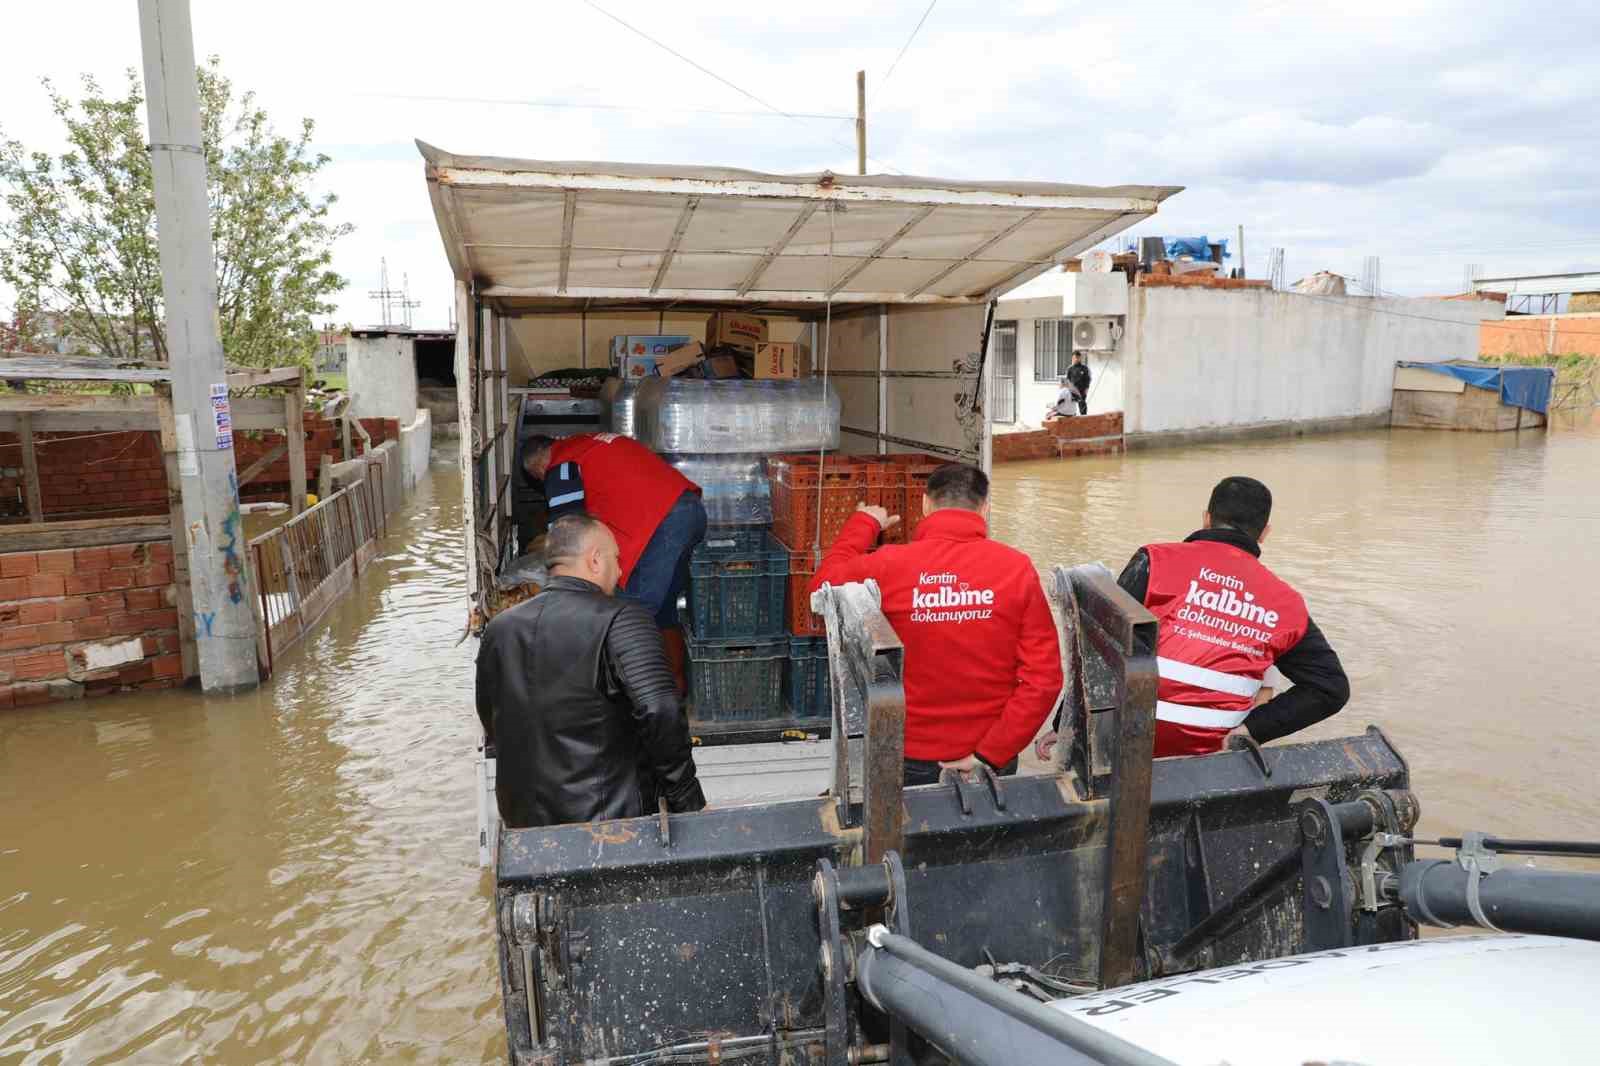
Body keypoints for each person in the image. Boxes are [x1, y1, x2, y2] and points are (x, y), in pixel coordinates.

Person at [1040, 476, 1348, 762]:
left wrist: (1065, 724)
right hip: (1213, 757)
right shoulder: (1286, 603)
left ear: (1207, 518)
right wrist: (1253, 729)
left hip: (1128, 746)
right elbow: (1330, 688)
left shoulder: (1155, 561)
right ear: (1265, 532)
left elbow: (1102, 649)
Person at [807, 464, 1063, 786]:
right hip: (989, 759)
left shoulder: (889, 564)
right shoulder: (1016, 568)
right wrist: (991, 753)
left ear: (926, 504)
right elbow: (1044, 679)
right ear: (985, 508)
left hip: (906, 755)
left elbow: (821, 591)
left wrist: (865, 523)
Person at [474, 513, 706, 829]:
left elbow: (491, 715)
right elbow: (659, 709)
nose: (620, 571)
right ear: (595, 561)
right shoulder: (622, 619)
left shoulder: (499, 629)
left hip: (523, 823)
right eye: (616, 559)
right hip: (607, 828)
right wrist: (687, 802)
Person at [521, 432, 706, 691]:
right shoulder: (588, 445)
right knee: (663, 611)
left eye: (540, 479)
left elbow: (567, 535)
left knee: (630, 611)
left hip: (664, 523)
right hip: (689, 510)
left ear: (539, 466)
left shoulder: (560, 466)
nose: (545, 483)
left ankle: (631, 695)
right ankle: (675, 688)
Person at [1065, 351, 1091, 415]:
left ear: (1080, 358)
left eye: (1078, 357)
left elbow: (1088, 379)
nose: (1076, 359)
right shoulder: (1070, 369)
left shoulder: (1084, 368)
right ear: (1072, 358)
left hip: (1082, 390)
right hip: (1072, 390)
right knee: (1070, 406)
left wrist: (1086, 389)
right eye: (1074, 358)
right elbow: (1067, 380)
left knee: (1082, 405)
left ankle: (1084, 418)